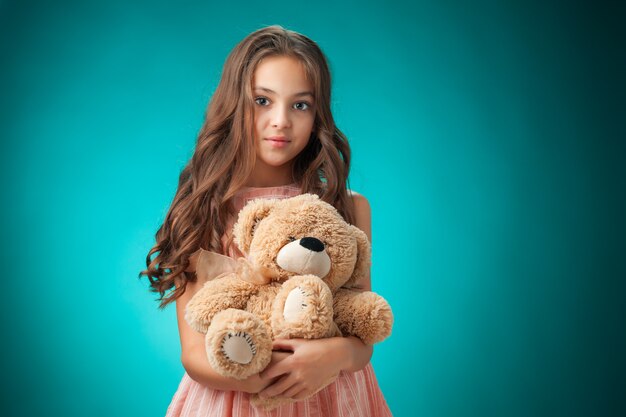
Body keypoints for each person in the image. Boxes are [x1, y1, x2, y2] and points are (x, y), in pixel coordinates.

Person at [140, 25, 392, 416]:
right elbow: (193, 355)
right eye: (262, 100)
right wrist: (270, 376)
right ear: (234, 105)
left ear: (317, 114)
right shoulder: (206, 209)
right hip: (238, 402)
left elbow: (363, 338)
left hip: (334, 399)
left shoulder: (347, 207)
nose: (281, 121)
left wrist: (333, 354)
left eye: (300, 105)